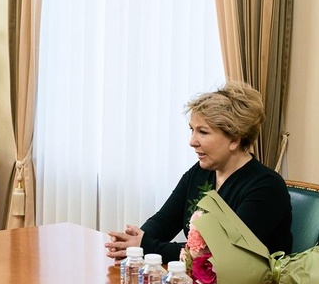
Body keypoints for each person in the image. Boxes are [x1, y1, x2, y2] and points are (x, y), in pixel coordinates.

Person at [105, 82, 292, 263]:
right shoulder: (200, 172)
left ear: (235, 139)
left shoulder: (266, 187)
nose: (192, 142)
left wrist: (146, 246)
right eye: (192, 130)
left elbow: (219, 252)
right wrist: (133, 243)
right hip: (203, 280)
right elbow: (164, 221)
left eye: (203, 132)